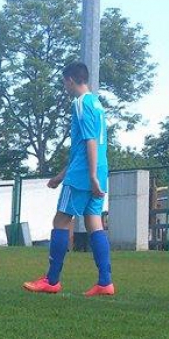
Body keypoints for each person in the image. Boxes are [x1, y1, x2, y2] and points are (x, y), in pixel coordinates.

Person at [23, 62, 114, 296]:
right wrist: (61, 175)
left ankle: (52, 280)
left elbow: (90, 141)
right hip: (99, 170)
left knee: (61, 221)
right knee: (94, 220)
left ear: (70, 80)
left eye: (64, 82)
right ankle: (105, 281)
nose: (65, 87)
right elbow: (88, 146)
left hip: (84, 174)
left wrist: (90, 175)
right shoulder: (97, 103)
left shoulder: (81, 103)